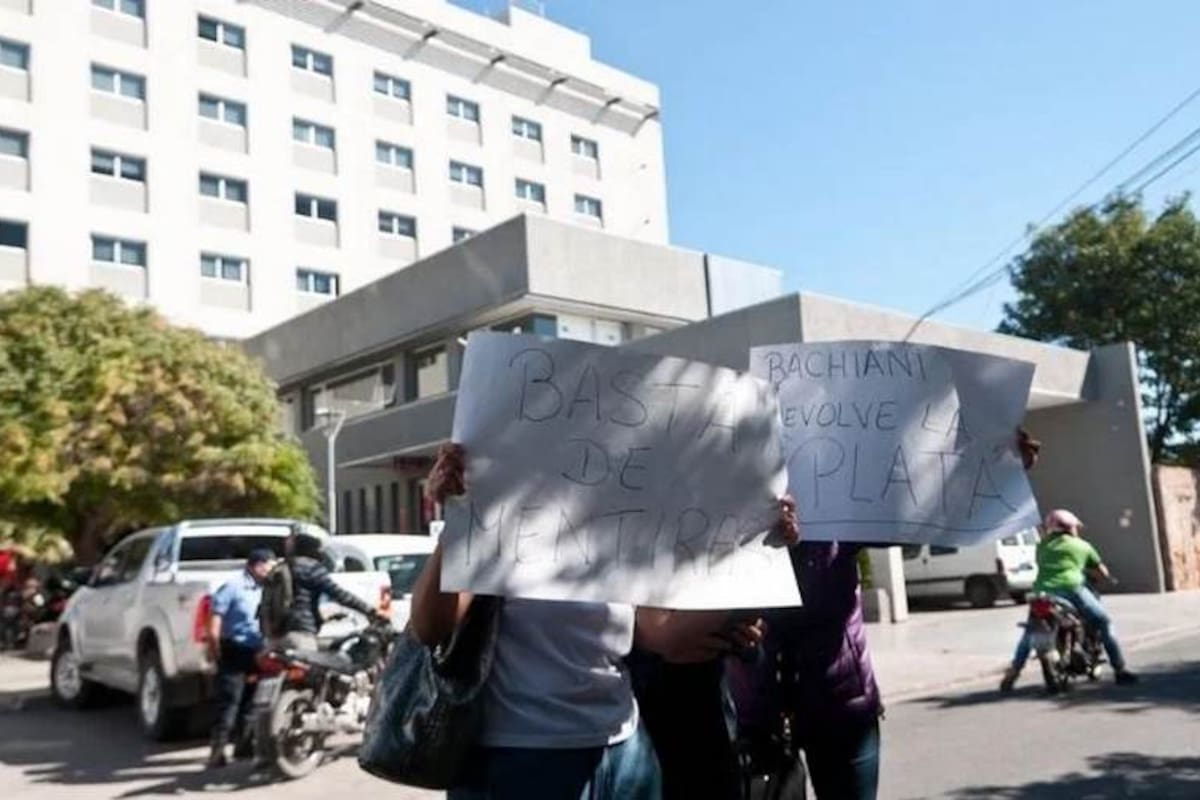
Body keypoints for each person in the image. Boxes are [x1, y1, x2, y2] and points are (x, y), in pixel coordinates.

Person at [638, 429, 1043, 800]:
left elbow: (926, 514)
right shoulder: (721, 531)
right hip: (757, 718)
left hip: (841, 705)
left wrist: (997, 466)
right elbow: (688, 622)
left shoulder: (840, 516)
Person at [410, 443, 791, 800]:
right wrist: (460, 521)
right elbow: (430, 627)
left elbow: (662, 636)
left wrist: (757, 543)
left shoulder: (627, 501)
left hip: (623, 754)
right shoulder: (505, 492)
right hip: (519, 757)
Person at [1000, 508, 1138, 690]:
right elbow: (1101, 571)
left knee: (1031, 633)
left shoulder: (1041, 546)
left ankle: (1014, 671)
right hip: (1072, 589)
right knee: (1104, 622)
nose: (1076, 530)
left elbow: (1053, 564)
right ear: (1069, 528)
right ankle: (1120, 669)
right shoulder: (1082, 546)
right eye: (1074, 527)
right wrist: (1106, 578)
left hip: (1041, 593)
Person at [207, 548, 273, 769]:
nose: (270, 570)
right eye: (268, 565)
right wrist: (215, 648)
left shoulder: (267, 588)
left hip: (257, 653)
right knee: (229, 702)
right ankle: (218, 750)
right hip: (233, 650)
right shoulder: (233, 587)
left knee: (252, 702)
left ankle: (243, 746)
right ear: (257, 565)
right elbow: (216, 619)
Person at [274, 530, 387, 652]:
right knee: (312, 668)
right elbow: (339, 594)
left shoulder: (281, 567)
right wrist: (370, 611)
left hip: (275, 633)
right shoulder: (311, 568)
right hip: (301, 632)